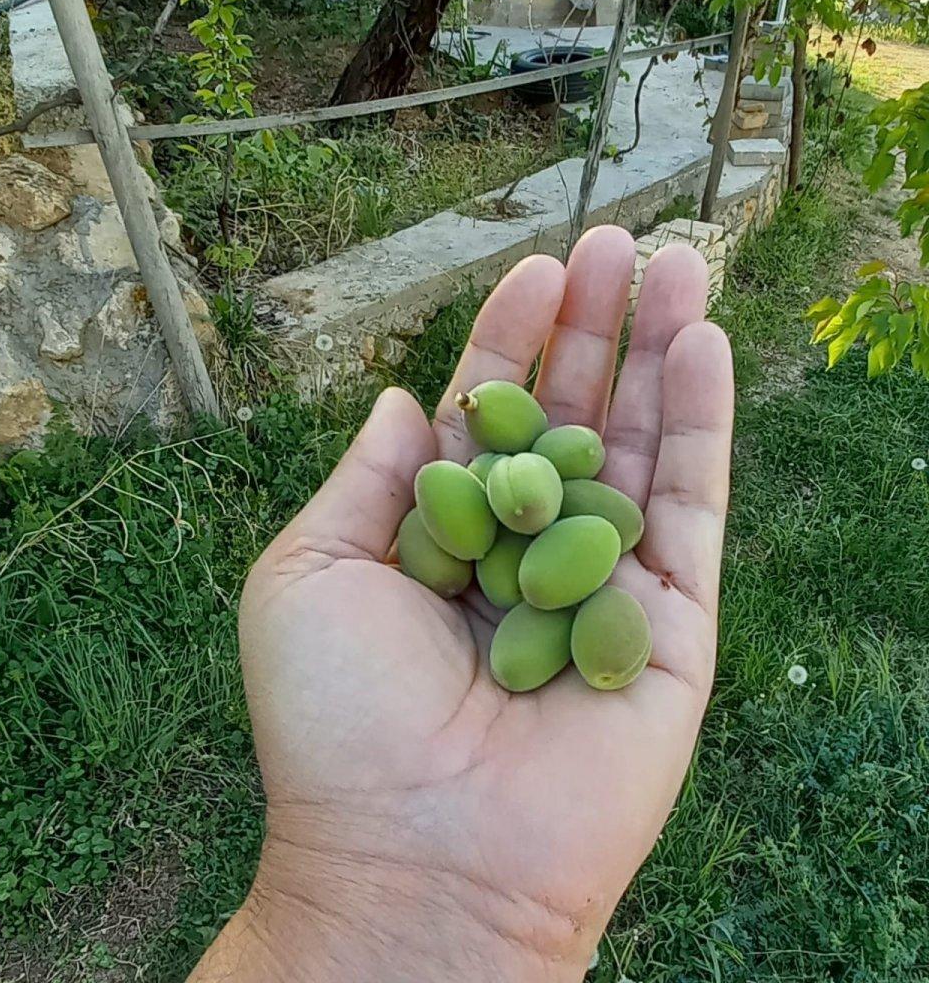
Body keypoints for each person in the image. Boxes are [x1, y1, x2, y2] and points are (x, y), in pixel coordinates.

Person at [189, 226, 734, 982]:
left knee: (539, 575)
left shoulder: (549, 525)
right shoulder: (509, 524)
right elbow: (529, 564)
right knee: (531, 578)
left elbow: (555, 554)